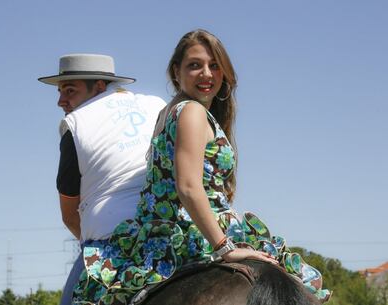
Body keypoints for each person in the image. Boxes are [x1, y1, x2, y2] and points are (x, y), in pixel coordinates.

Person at [72, 31, 331, 304]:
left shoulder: (170, 112)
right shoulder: (192, 112)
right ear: (176, 71)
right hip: (188, 234)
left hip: (163, 230)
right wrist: (225, 248)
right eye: (195, 65)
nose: (206, 73)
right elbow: (188, 186)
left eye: (214, 65)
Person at [38, 53, 166, 305]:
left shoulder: (75, 124)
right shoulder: (158, 104)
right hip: (169, 229)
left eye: (69, 90)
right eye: (60, 91)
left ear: (98, 86)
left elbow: (69, 214)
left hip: (109, 241)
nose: (60, 101)